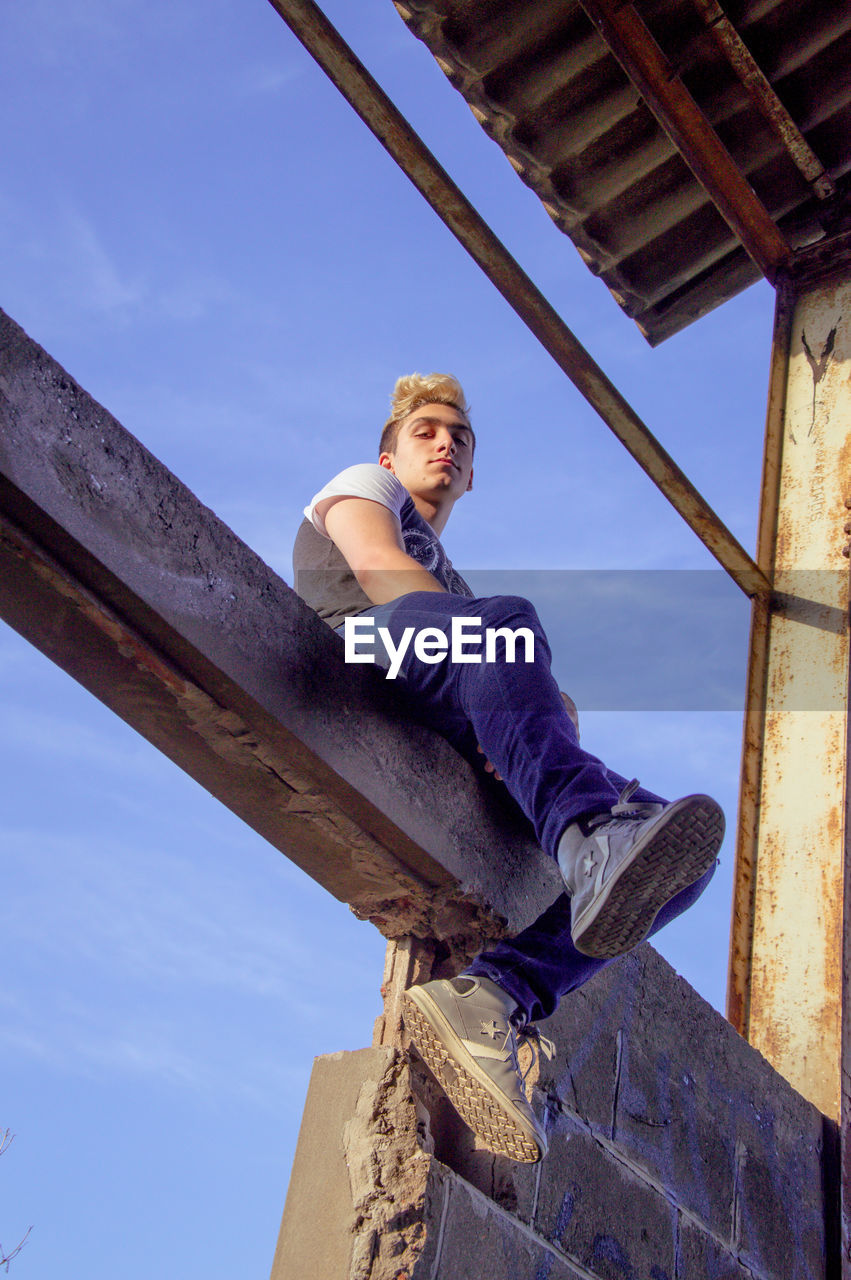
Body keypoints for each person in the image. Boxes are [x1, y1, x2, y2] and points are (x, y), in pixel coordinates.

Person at [293, 372, 722, 1164]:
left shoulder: (457, 588)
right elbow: (379, 568)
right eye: (424, 431)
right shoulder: (363, 489)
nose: (444, 443)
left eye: (458, 437)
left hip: (435, 689)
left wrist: (527, 716)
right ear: (387, 454)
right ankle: (585, 834)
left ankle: (493, 995)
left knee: (678, 861)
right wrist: (498, 656)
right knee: (505, 624)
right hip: (354, 651)